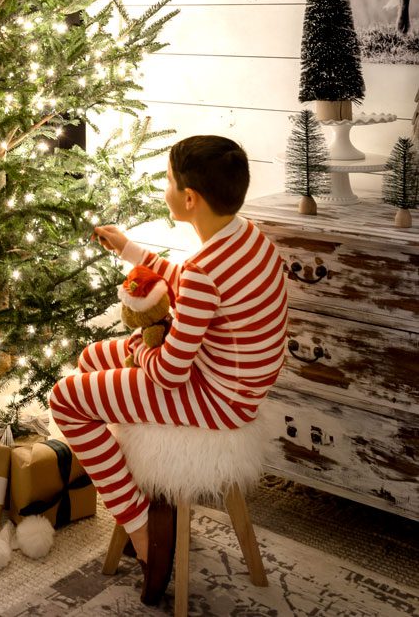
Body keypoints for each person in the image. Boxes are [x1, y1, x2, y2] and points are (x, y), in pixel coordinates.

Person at [49, 135, 288, 594]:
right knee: (92, 357)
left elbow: (169, 372)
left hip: (217, 400)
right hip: (236, 383)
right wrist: (131, 251)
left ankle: (140, 524)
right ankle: (144, 493)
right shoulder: (245, 237)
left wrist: (140, 349)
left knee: (66, 399)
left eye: (168, 181)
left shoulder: (203, 271)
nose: (165, 189)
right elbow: (197, 289)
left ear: (190, 198)